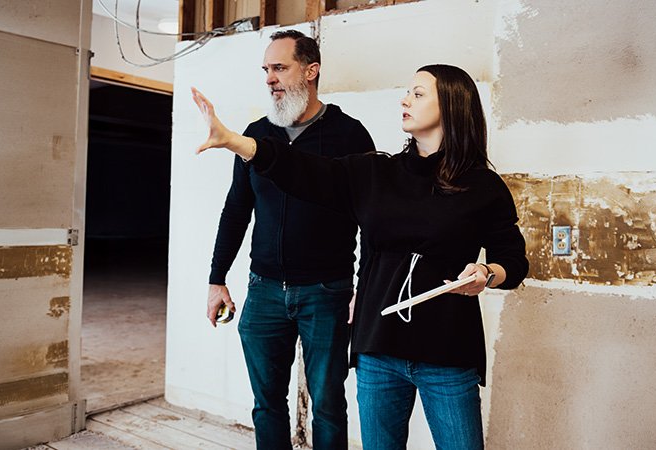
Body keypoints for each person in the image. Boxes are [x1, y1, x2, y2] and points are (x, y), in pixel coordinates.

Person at [192, 63, 528, 450]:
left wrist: (487, 273)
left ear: (452, 106)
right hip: (378, 349)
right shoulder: (376, 172)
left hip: (447, 353)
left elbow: (514, 259)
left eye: (418, 94)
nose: (405, 99)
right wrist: (237, 142)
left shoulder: (484, 186)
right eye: (407, 91)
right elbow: (304, 171)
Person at [204, 30, 375, 450]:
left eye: (280, 68)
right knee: (266, 405)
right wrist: (216, 278)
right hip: (263, 292)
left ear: (311, 70)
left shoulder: (349, 136)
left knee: (329, 405)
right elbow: (236, 210)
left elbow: (372, 218)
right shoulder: (256, 135)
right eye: (266, 69)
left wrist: (363, 287)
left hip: (327, 292)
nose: (270, 79)